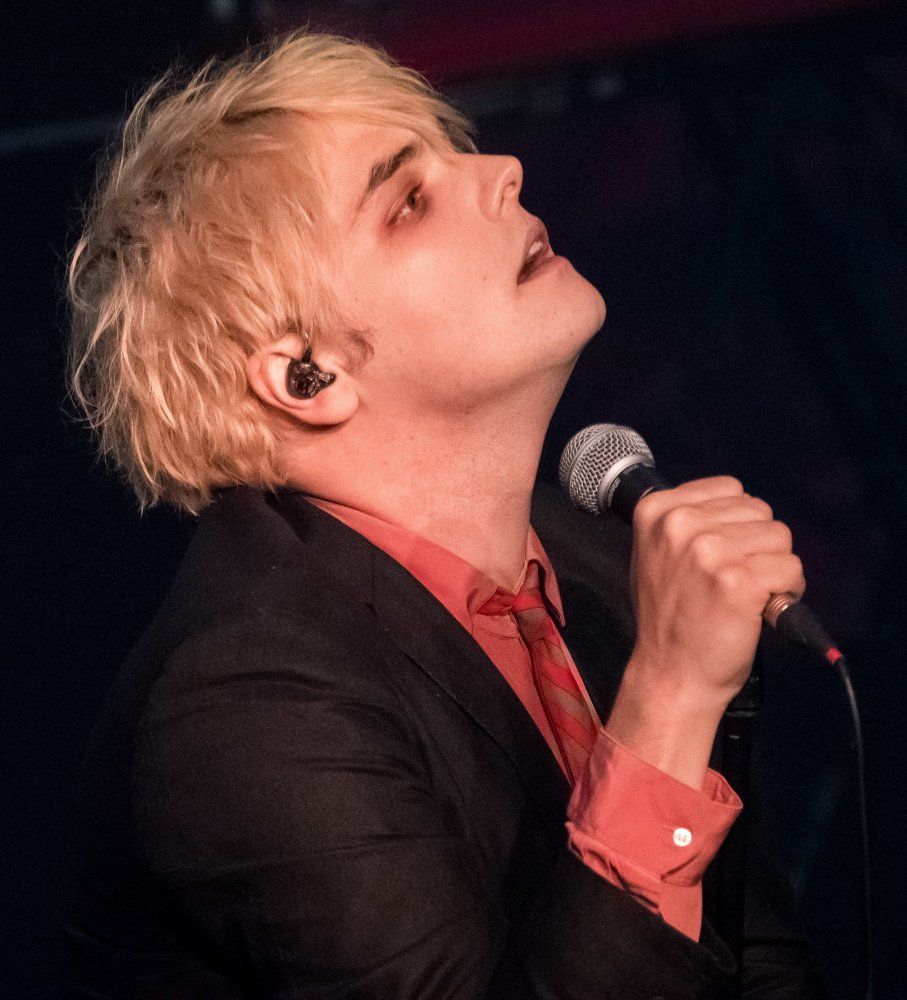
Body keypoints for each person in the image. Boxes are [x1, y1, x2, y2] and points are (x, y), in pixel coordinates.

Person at [61, 30, 826, 998]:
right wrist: (668, 699)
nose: (503, 170)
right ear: (307, 376)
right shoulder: (239, 705)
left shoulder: (593, 563)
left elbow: (757, 964)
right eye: (408, 202)